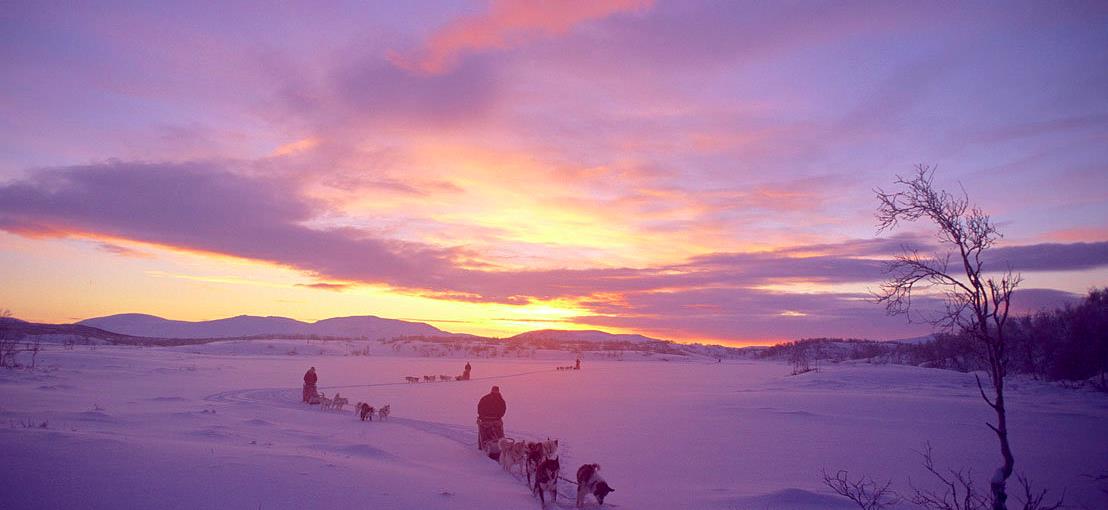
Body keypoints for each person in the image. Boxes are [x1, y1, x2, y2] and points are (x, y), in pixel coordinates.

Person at [476, 385, 506, 453]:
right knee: (499, 432)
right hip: (495, 419)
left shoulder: (485, 398)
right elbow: (503, 409)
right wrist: (499, 416)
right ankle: (501, 443)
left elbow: (479, 407)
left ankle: (482, 445)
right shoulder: (500, 400)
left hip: (486, 420)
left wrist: (481, 416)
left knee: (482, 432)